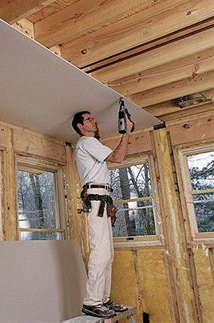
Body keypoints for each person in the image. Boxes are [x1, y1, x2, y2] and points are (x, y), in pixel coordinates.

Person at [71, 111, 132, 319]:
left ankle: (103, 299)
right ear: (80, 126)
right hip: (96, 199)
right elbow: (118, 157)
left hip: (102, 199)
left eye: (93, 118)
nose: (94, 121)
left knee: (108, 253)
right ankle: (91, 302)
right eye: (88, 119)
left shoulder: (91, 143)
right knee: (100, 250)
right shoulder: (87, 142)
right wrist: (127, 132)